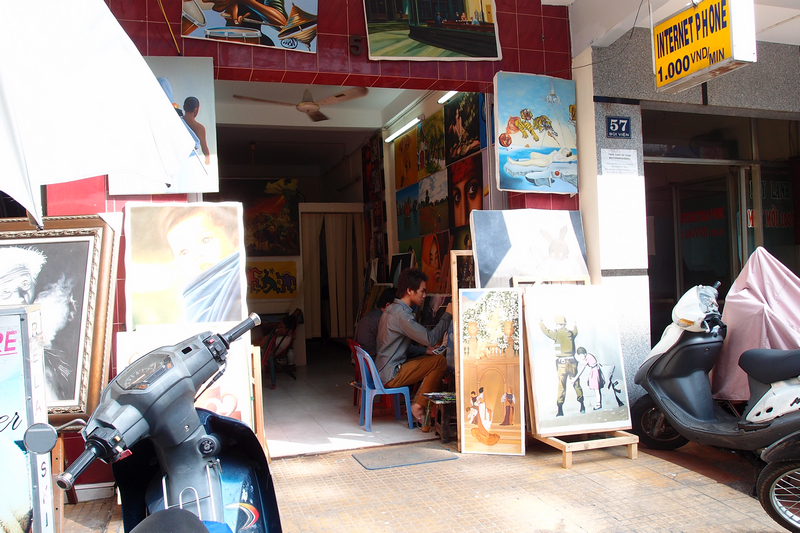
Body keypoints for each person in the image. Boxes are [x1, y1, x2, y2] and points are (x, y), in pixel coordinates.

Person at [376, 268, 452, 427]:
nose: (424, 296)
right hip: (391, 374)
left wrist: (425, 351)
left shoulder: (392, 309)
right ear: (410, 291)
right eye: (422, 291)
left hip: (383, 370)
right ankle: (418, 406)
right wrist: (448, 315)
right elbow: (430, 339)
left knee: (432, 359)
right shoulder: (402, 315)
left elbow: (396, 345)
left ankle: (424, 406)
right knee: (439, 362)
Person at [162, 206, 242, 323]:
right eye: (184, 252)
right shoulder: (190, 304)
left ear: (235, 241)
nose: (196, 255)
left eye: (205, 240)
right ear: (178, 266)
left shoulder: (237, 276)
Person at [540, 315, 584, 417]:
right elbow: (575, 332)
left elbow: (546, 331)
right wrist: (575, 324)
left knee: (561, 387)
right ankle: (582, 405)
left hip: (562, 364)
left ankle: (560, 409)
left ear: (558, 324)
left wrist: (540, 323)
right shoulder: (570, 333)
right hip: (572, 362)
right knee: (576, 384)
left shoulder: (556, 333)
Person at [354, 287, 396, 358]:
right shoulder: (380, 320)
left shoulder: (370, 316)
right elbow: (393, 345)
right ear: (388, 305)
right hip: (373, 360)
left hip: (363, 358)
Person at [183, 96, 211, 165]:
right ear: (196, 109)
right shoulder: (200, 128)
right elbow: (204, 147)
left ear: (184, 107)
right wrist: (207, 160)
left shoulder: (177, 122)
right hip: (192, 160)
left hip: (178, 157)